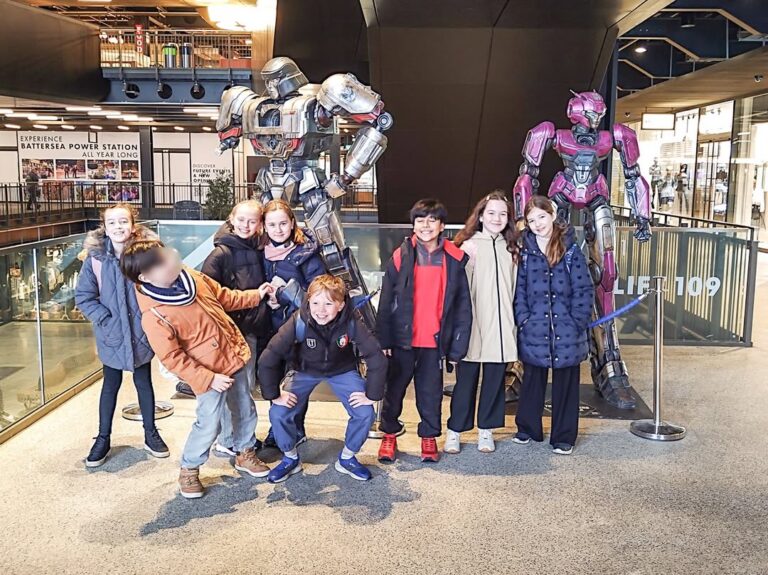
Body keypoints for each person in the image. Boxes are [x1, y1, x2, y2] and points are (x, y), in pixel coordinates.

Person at [120, 239, 273, 499]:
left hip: (231, 356)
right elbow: (172, 358)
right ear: (145, 276)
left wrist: (255, 295)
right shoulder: (154, 314)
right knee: (209, 422)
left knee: (244, 408)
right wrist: (209, 378)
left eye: (164, 256)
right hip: (207, 373)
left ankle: (245, 452)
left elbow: (224, 297)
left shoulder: (191, 277)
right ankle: (189, 468)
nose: (169, 262)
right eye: (159, 263)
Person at [258, 275, 386, 483]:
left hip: (342, 370)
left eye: (329, 304)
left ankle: (347, 458)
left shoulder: (351, 321)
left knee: (365, 412)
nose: (321, 310)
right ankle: (290, 458)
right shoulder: (299, 320)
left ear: (340, 305)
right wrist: (274, 394)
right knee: (278, 412)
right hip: (304, 370)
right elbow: (268, 357)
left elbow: (376, 357)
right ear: (308, 301)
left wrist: (372, 395)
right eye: (316, 303)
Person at [375, 199, 472, 463]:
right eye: (420, 220)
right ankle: (389, 435)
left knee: (430, 394)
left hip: (434, 342)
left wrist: (457, 348)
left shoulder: (453, 259)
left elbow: (463, 307)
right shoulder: (401, 256)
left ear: (441, 225)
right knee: (393, 391)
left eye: (432, 220)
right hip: (402, 340)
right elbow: (386, 301)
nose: (425, 225)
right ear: (413, 225)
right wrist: (384, 339)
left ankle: (428, 437)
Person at [75, 203, 168, 468]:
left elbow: (163, 284)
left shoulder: (147, 253)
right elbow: (84, 296)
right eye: (112, 222)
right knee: (110, 385)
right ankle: (103, 438)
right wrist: (105, 318)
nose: (118, 227)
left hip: (141, 331)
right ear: (105, 227)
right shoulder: (95, 259)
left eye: (123, 221)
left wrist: (153, 317)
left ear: (133, 224)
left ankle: (151, 433)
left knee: (144, 381)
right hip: (112, 333)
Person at [512, 195, 594, 455]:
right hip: (534, 326)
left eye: (542, 217)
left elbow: (583, 288)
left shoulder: (570, 248)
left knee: (566, 384)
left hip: (567, 328)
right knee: (532, 381)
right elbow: (520, 290)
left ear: (553, 214)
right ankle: (527, 428)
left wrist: (577, 321)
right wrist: (524, 319)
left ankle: (563, 436)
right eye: (531, 220)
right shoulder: (525, 251)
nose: (537, 224)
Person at [445, 191, 520, 454]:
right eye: (491, 213)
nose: (497, 218)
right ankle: (455, 430)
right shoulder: (468, 246)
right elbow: (457, 292)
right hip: (473, 326)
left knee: (495, 382)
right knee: (465, 382)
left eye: (502, 214)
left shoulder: (512, 248)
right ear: (480, 216)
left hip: (501, 327)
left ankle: (486, 429)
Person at [201, 200, 271, 457]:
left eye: (252, 221)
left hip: (251, 327)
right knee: (238, 387)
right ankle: (231, 439)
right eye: (241, 219)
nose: (246, 225)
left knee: (244, 384)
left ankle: (233, 436)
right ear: (231, 219)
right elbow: (209, 296)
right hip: (231, 331)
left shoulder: (258, 248)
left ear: (259, 224)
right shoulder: (221, 254)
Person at [260, 199, 326, 448]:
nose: (278, 230)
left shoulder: (306, 253)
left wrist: (285, 295)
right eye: (272, 224)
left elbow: (320, 293)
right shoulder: (260, 251)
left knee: (294, 380)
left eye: (283, 223)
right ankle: (277, 427)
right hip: (267, 325)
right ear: (264, 226)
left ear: (292, 223)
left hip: (297, 328)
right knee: (272, 376)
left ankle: (295, 428)